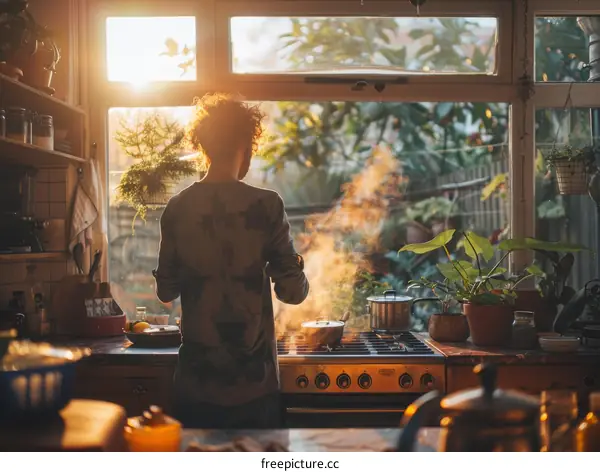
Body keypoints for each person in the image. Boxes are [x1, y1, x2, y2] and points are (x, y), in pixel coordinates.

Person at [152, 93, 309, 429]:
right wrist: (288, 263)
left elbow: (166, 291)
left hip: (196, 383)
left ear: (205, 145)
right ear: (246, 143)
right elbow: (293, 293)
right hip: (253, 385)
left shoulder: (178, 208)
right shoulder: (266, 206)